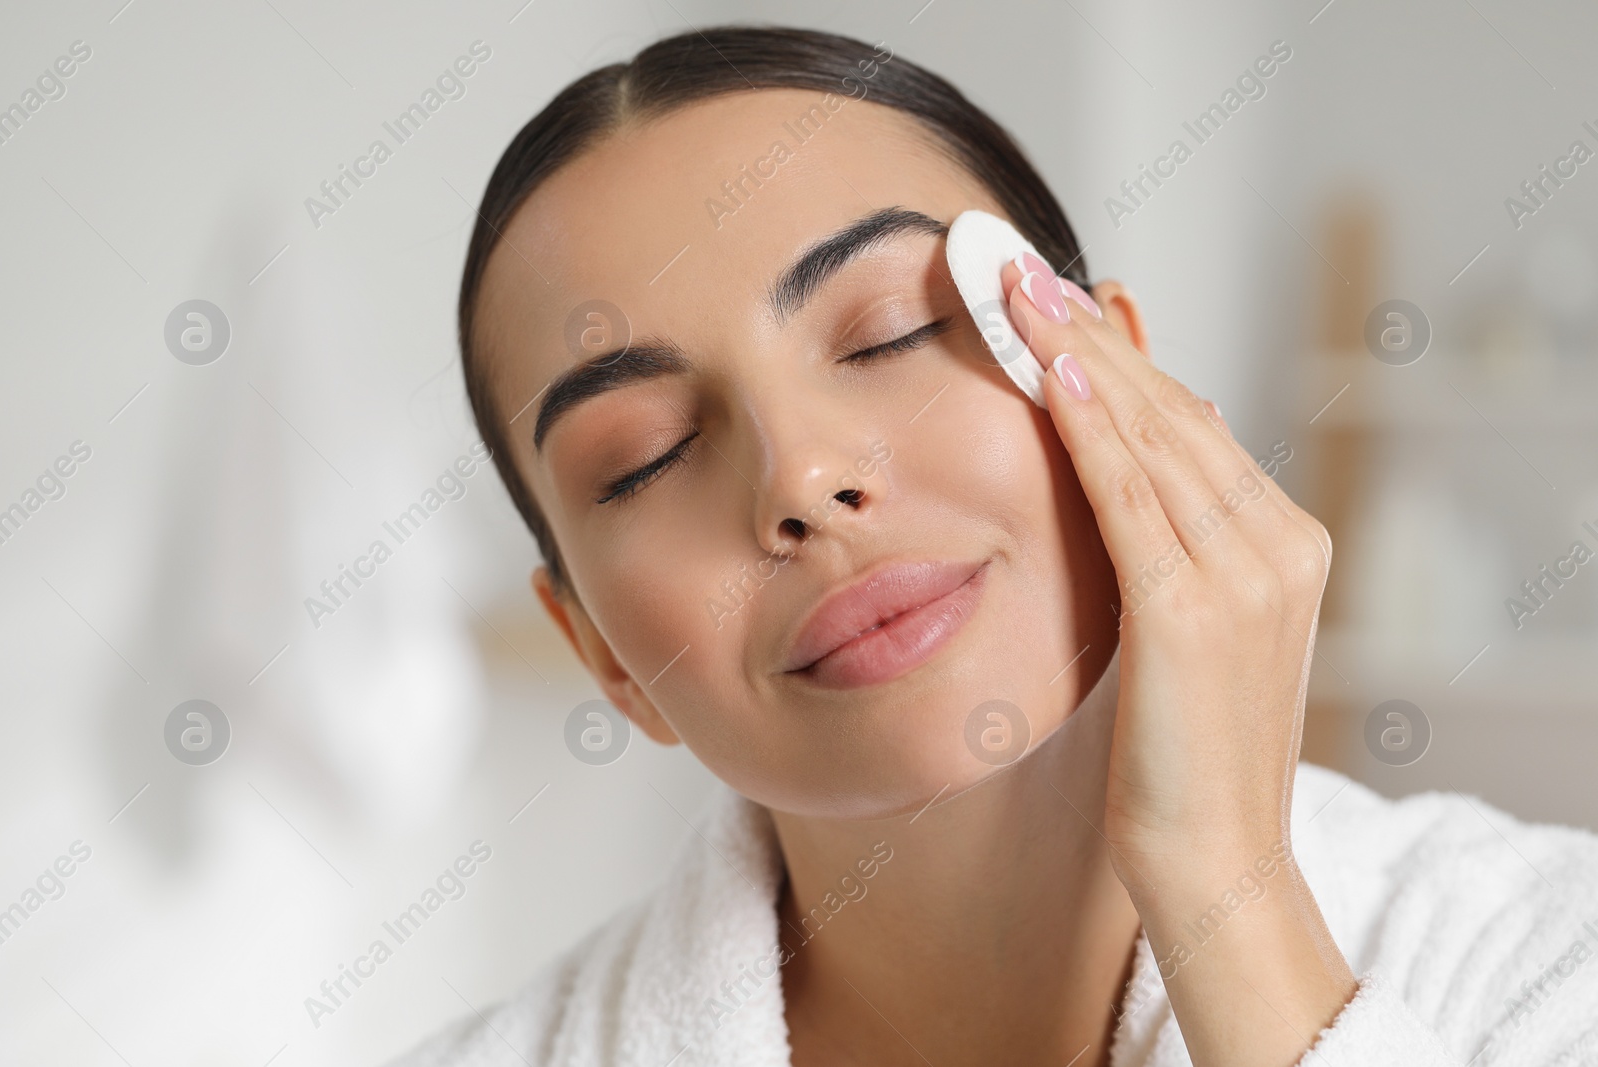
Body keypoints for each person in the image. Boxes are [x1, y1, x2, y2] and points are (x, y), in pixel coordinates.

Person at [390, 24, 1598, 1067]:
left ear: (1122, 381)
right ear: (601, 650)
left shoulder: (1546, 958)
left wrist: (1225, 889)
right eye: (646, 453)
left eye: (887, 334)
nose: (804, 478)